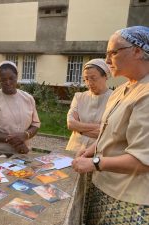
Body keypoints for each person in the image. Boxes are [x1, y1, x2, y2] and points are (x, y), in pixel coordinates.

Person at [72, 26, 149, 224]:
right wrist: (90, 150)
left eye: (112, 53)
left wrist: (94, 163)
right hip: (104, 186)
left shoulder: (146, 94)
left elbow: (142, 160)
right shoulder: (122, 90)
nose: (107, 61)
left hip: (128, 200)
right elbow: (109, 134)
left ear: (137, 51)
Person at [0, 61, 41, 154]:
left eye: (11, 78)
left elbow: (35, 124)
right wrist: (13, 140)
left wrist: (25, 135)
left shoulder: (28, 98)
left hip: (22, 151)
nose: (8, 83)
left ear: (16, 77)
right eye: (3, 80)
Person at [66, 58, 113, 151]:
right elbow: (71, 124)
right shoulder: (79, 97)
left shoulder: (115, 98)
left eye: (93, 78)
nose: (89, 83)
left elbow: (110, 132)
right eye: (86, 79)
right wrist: (99, 127)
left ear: (106, 76)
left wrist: (79, 130)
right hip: (74, 148)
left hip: (99, 150)